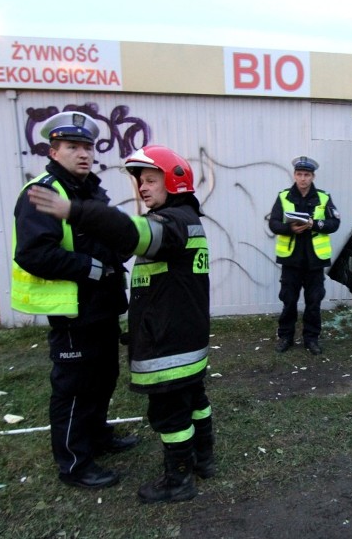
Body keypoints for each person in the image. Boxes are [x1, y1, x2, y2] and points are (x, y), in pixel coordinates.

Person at [28, 145, 214, 504]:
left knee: (169, 413)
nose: (142, 188)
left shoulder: (172, 223)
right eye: (140, 182)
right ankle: (203, 461)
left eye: (150, 180)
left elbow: (132, 233)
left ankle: (178, 482)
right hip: (183, 339)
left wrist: (76, 211)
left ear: (174, 182)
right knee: (194, 400)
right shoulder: (185, 220)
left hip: (169, 345)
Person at [11, 111, 136, 490]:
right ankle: (75, 463)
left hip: (101, 307)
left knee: (103, 378)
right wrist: (91, 268)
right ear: (53, 150)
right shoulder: (45, 192)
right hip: (72, 310)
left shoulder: (90, 191)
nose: (83, 154)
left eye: (87, 147)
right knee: (74, 387)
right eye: (72, 147)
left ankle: (97, 436)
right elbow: (33, 253)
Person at [268, 156, 341, 355]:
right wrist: (290, 228)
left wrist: (314, 224)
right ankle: (286, 337)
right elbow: (273, 223)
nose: (303, 178)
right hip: (291, 260)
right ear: (294, 175)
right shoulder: (283, 197)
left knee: (314, 302)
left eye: (307, 175)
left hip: (315, 261)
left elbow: (334, 224)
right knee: (289, 301)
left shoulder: (324, 197)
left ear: (312, 176)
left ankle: (311, 339)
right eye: (299, 174)